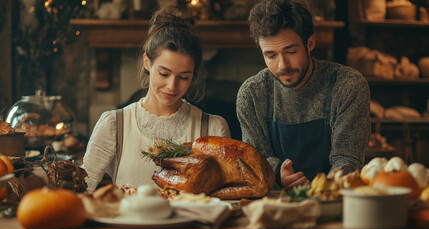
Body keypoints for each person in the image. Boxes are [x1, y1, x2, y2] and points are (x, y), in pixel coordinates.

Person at [82, 6, 231, 192]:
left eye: (184, 77)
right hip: (126, 221)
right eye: (164, 73)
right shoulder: (114, 124)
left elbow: (223, 196)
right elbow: (83, 188)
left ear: (193, 74)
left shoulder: (213, 128)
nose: (172, 86)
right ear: (147, 62)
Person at [236, 0, 370, 189]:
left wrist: (323, 190)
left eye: (290, 51)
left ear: (310, 42)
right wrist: (276, 174)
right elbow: (255, 159)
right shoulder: (251, 94)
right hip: (276, 203)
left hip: (334, 199)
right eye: (271, 55)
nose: (282, 65)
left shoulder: (347, 85)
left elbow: (347, 159)